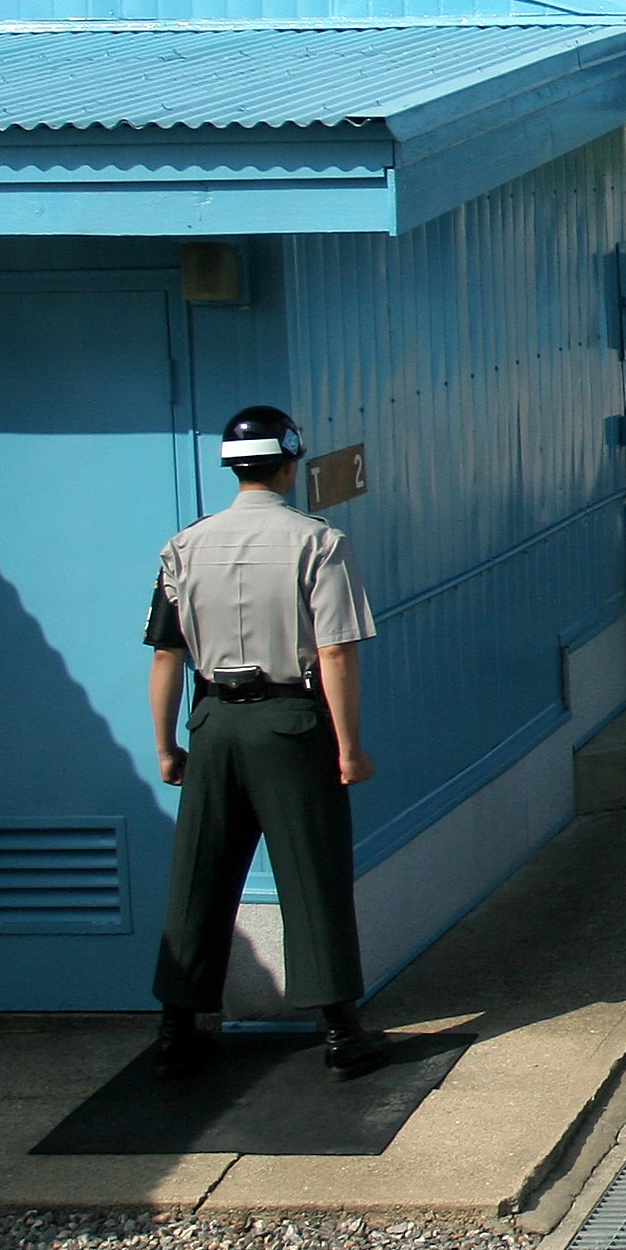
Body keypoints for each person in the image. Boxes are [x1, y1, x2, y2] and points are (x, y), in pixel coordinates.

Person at [147, 404, 389, 1080]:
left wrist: (168, 746)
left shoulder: (185, 544)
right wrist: (349, 747)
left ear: (232, 467)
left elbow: (166, 656)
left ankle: (178, 1026)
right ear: (290, 464)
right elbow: (335, 651)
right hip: (290, 721)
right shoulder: (318, 542)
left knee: (199, 873)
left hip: (214, 721)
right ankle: (340, 1031)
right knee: (311, 873)